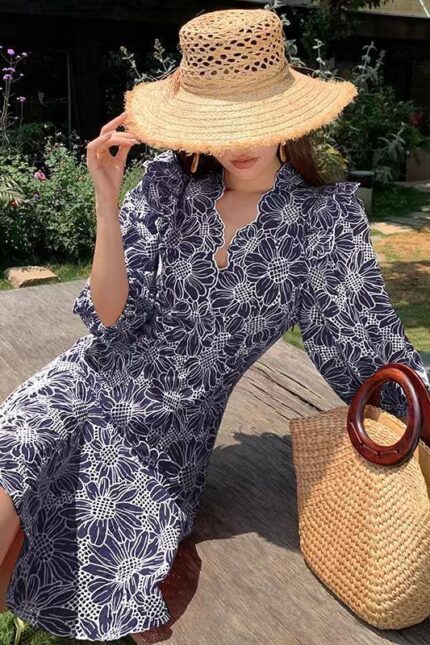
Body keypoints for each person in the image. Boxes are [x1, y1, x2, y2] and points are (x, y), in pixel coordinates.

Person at [1, 7, 429, 643]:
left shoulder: (322, 224)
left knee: (74, 536)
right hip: (85, 383)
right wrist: (105, 199)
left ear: (287, 115)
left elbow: (365, 350)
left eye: (254, 118)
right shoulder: (169, 187)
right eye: (218, 124)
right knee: (11, 468)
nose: (237, 142)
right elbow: (111, 318)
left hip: (164, 436)